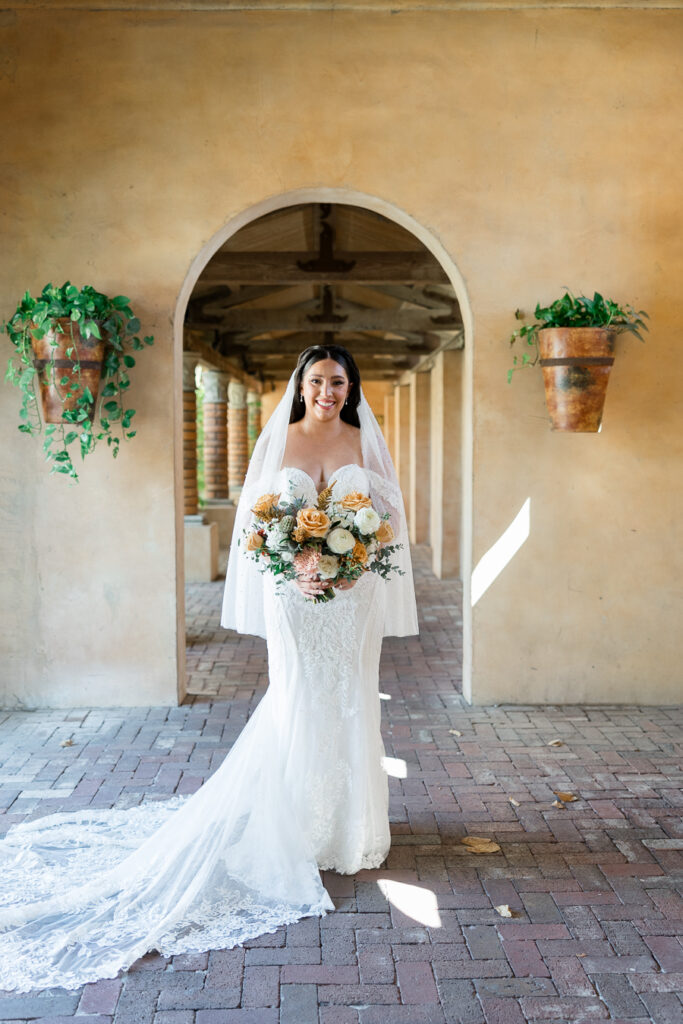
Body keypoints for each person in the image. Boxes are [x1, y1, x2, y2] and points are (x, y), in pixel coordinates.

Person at [0, 344, 417, 993]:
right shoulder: (278, 439)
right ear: (300, 386)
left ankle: (351, 827)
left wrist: (348, 563)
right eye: (317, 380)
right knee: (298, 696)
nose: (327, 391)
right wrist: (299, 565)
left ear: (350, 386)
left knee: (351, 698)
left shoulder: (364, 442)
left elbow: (387, 524)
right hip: (296, 600)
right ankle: (293, 822)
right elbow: (258, 531)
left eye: (337, 381)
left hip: (351, 599)